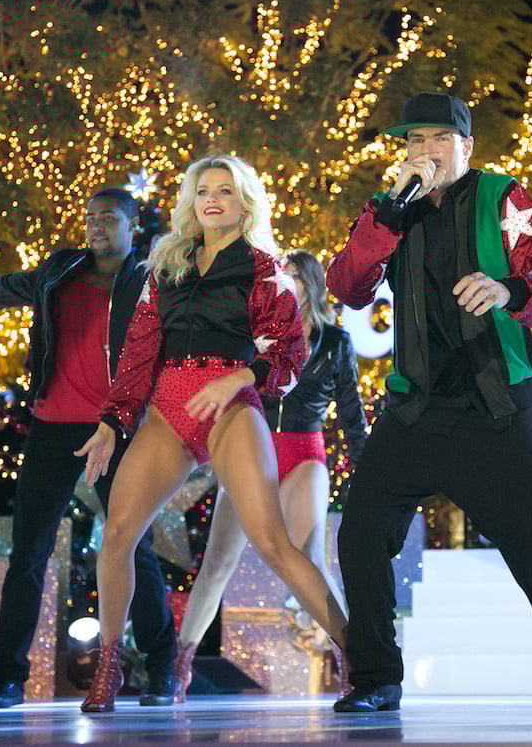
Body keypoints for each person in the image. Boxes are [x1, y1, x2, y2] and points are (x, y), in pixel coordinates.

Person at [327, 92, 532, 713]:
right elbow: (348, 287)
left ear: (466, 145)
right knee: (361, 534)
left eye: (439, 138)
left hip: (492, 406)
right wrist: (387, 213)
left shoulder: (502, 197)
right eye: (414, 140)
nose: (426, 151)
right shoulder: (390, 211)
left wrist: (507, 289)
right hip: (415, 409)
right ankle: (375, 678)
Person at [75, 155, 349, 713]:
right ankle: (108, 665)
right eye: (203, 191)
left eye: (225, 191)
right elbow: (138, 353)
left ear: (244, 202)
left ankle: (359, 656)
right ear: (191, 202)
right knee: (118, 533)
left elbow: (291, 352)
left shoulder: (264, 268)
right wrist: (111, 421)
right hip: (169, 410)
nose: (213, 200)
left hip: (231, 405)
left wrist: (239, 378)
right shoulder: (166, 266)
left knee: (273, 543)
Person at [0, 188, 177, 708]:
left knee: (134, 547)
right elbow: (6, 286)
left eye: (108, 218)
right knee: (29, 553)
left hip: (116, 427)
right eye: (90, 218)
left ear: (133, 226)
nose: (96, 225)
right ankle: (8, 680)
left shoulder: (149, 279)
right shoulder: (61, 271)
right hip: (53, 427)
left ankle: (160, 670)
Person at [171, 249, 367, 701]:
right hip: (253, 449)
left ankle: (353, 657)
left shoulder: (335, 342)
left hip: (304, 450)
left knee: (310, 558)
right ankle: (180, 662)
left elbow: (352, 413)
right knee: (218, 562)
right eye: (280, 276)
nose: (284, 284)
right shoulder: (258, 335)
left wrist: (367, 470)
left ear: (311, 284)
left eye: (292, 276)